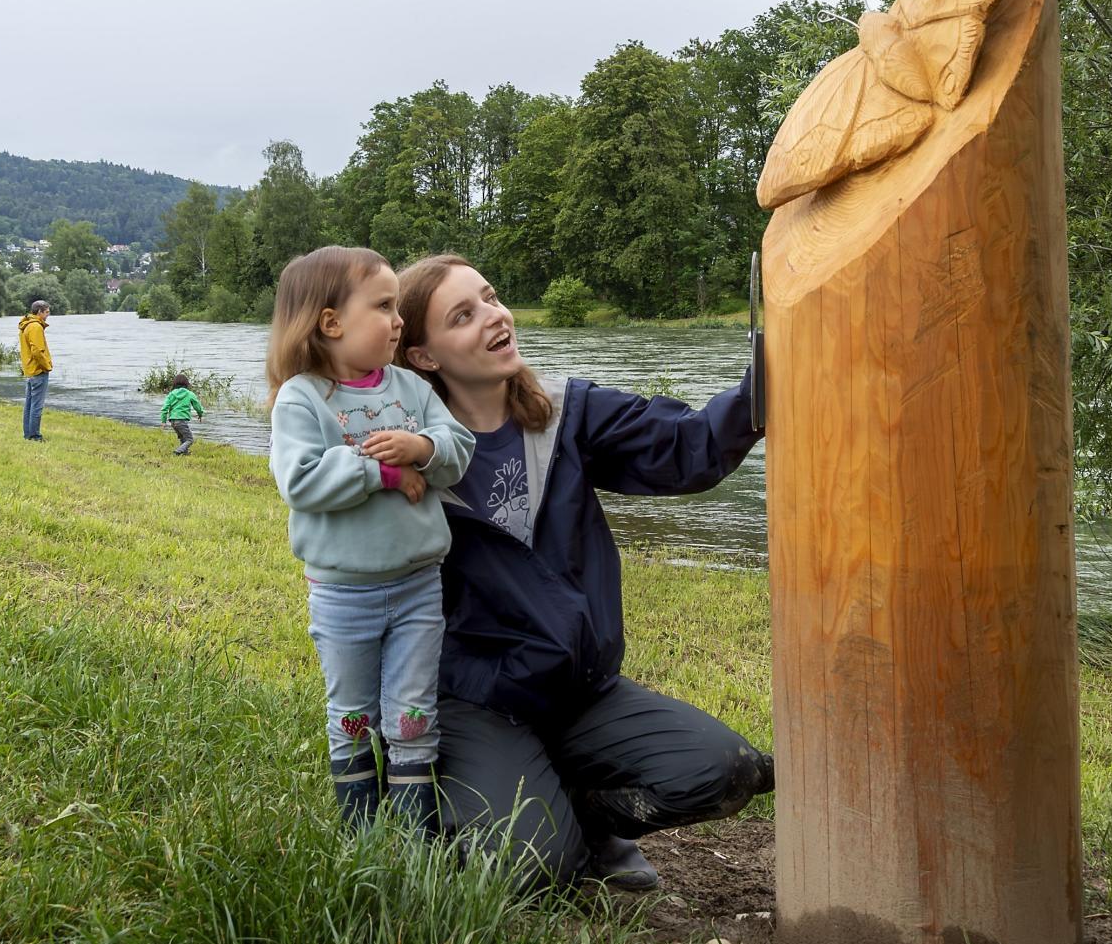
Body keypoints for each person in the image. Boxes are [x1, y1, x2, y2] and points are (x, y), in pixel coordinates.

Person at [395, 254, 773, 892]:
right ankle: (496, 809)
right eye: (463, 315)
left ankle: (586, 816)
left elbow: (690, 448)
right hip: (476, 702)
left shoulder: (568, 414)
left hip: (579, 691)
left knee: (726, 771)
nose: (494, 316)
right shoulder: (409, 462)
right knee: (536, 866)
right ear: (424, 356)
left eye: (491, 297)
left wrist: (768, 367)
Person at [267, 247, 476, 829]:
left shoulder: (411, 388)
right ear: (331, 322)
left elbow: (459, 449)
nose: (398, 319)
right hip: (342, 596)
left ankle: (415, 833)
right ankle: (361, 830)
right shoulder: (302, 397)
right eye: (383, 306)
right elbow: (300, 481)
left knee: (414, 709)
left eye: (396, 306)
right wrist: (383, 471)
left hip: (418, 586)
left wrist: (422, 448)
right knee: (352, 712)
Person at [18, 300, 52, 441]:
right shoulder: (36, 327)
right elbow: (37, 351)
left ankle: (28, 434)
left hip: (30, 370)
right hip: (38, 371)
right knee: (37, 406)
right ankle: (35, 436)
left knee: (29, 405)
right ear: (39, 312)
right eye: (47, 312)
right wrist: (47, 366)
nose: (48, 315)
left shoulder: (26, 325)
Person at [159, 374, 204, 454]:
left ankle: (184, 453)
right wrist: (200, 414)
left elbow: (164, 408)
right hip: (182, 421)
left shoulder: (171, 394)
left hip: (173, 421)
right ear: (186, 383)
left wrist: (163, 421)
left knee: (183, 438)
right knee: (189, 439)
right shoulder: (189, 394)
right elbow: (197, 406)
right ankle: (178, 451)